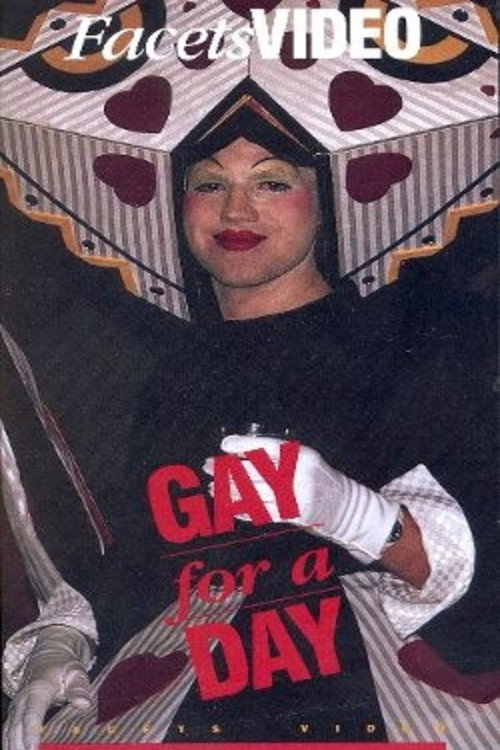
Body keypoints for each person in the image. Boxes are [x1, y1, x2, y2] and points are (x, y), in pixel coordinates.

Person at [2, 104, 498, 747]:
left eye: (271, 181)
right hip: (199, 698)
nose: (235, 211)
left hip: (372, 704)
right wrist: (63, 640)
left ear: (326, 201)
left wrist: (354, 513)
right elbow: (149, 560)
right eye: (210, 183)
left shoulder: (413, 343)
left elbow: (483, 553)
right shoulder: (170, 382)